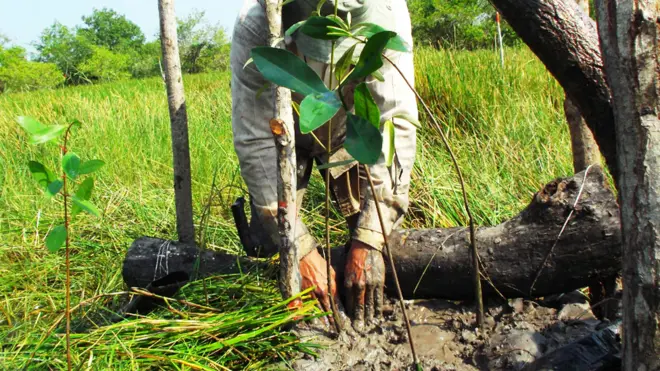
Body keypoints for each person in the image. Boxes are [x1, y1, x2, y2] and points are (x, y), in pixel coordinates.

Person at [230, 0, 418, 327]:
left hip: (352, 130)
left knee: (375, 232)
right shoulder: (255, 24)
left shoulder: (388, 13)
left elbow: (394, 121)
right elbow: (255, 139)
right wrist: (298, 248)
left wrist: (369, 238)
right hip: (284, 134)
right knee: (271, 249)